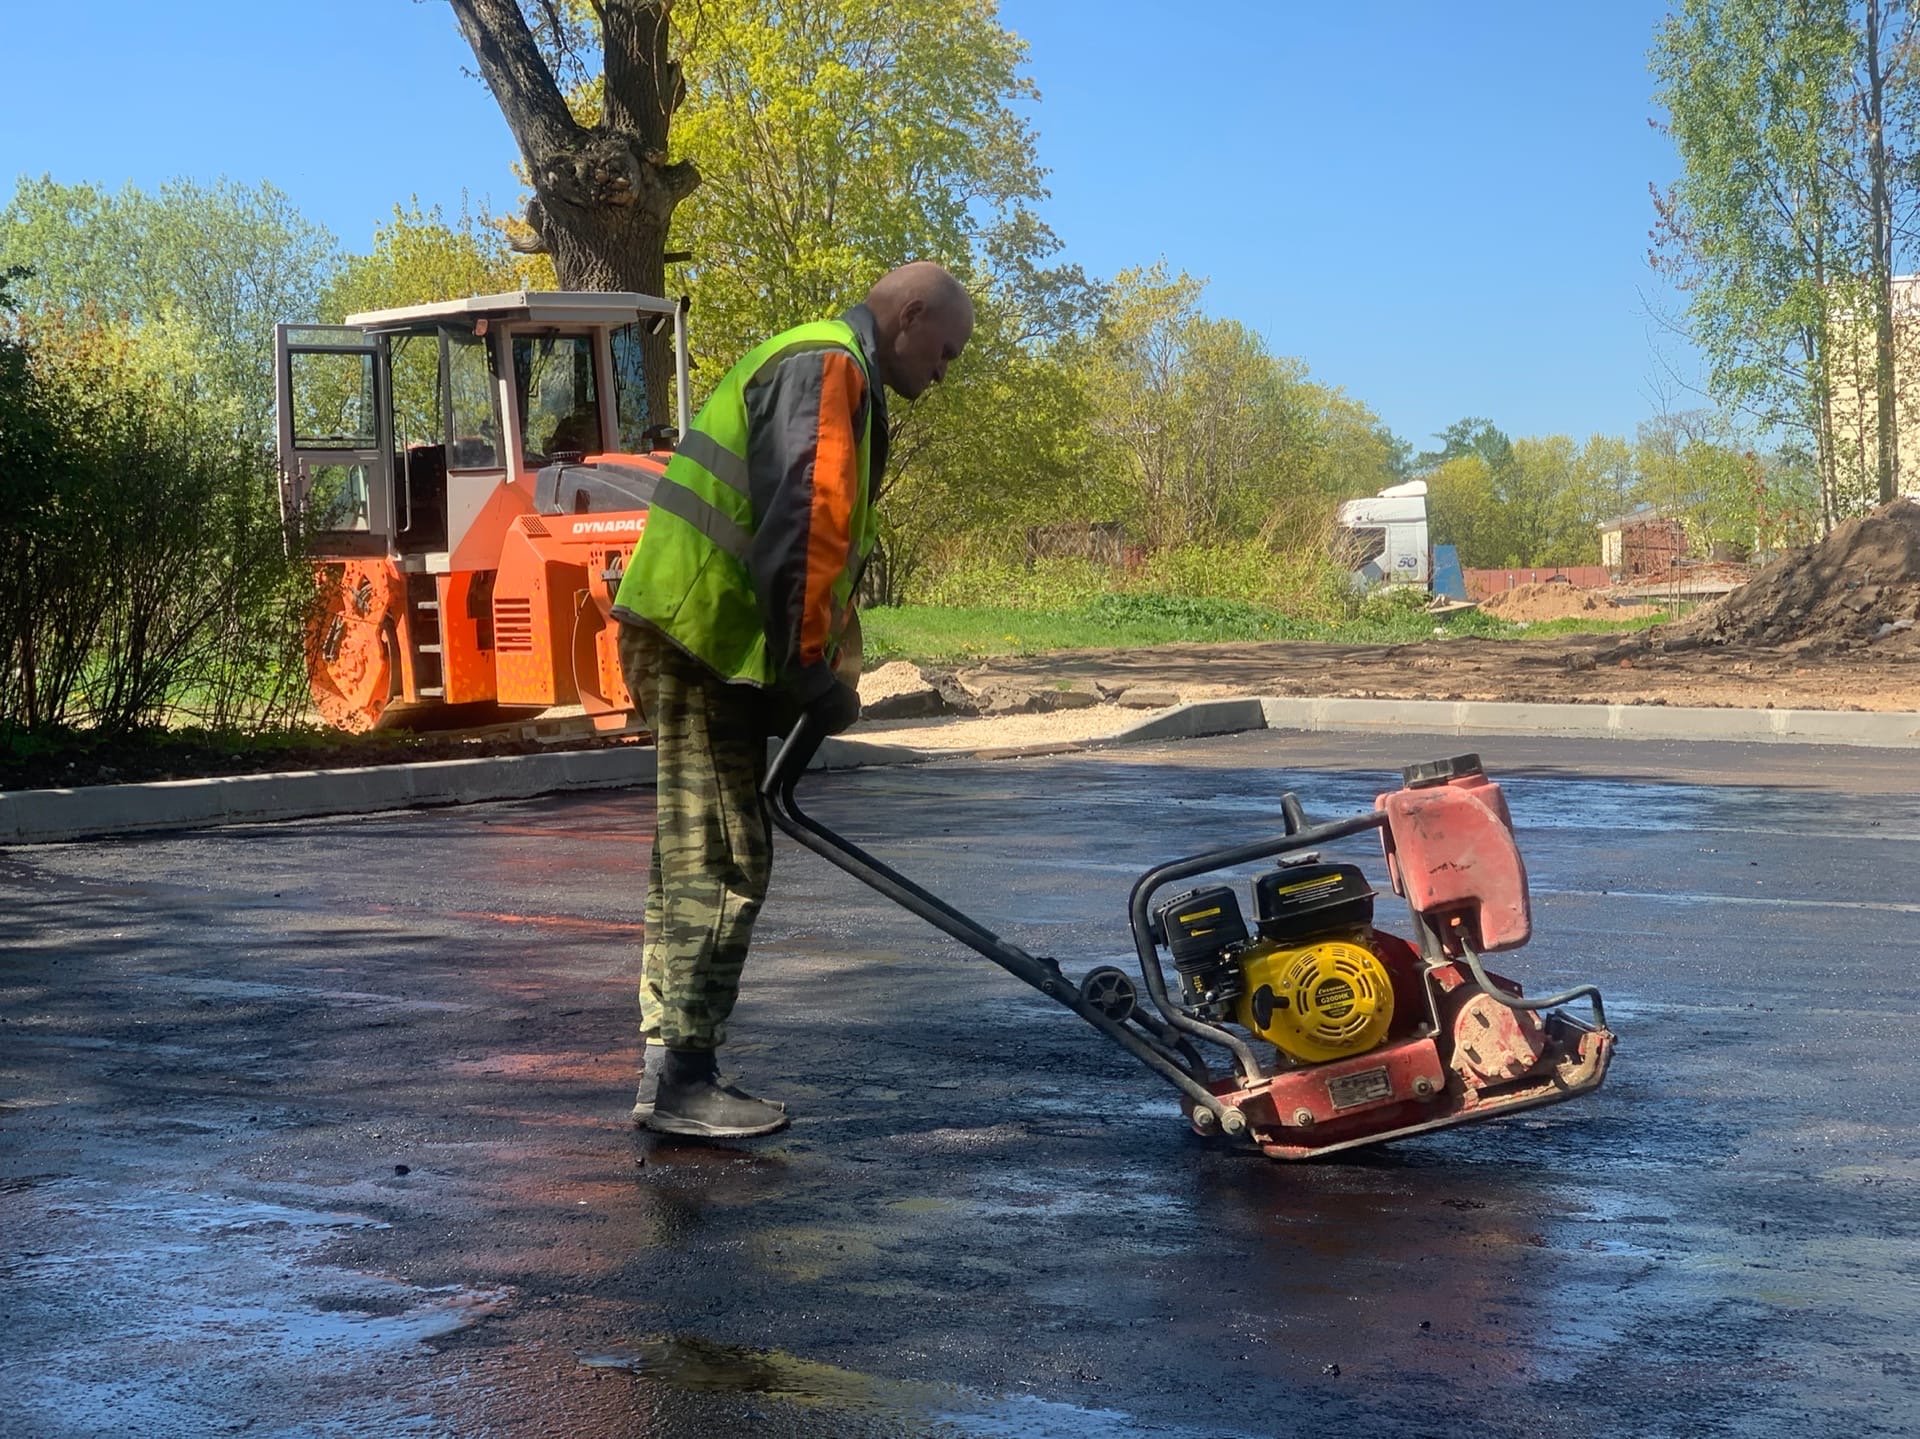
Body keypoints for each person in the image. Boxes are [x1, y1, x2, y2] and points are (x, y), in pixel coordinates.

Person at [609, 261, 976, 1139]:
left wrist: (807, 671)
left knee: (695, 852)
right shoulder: (831, 364)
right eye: (947, 348)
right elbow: (807, 520)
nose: (947, 368)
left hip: (702, 632)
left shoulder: (820, 361)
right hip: (705, 632)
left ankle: (673, 1063)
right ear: (910, 314)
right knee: (722, 854)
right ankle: (680, 1083)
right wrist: (808, 668)